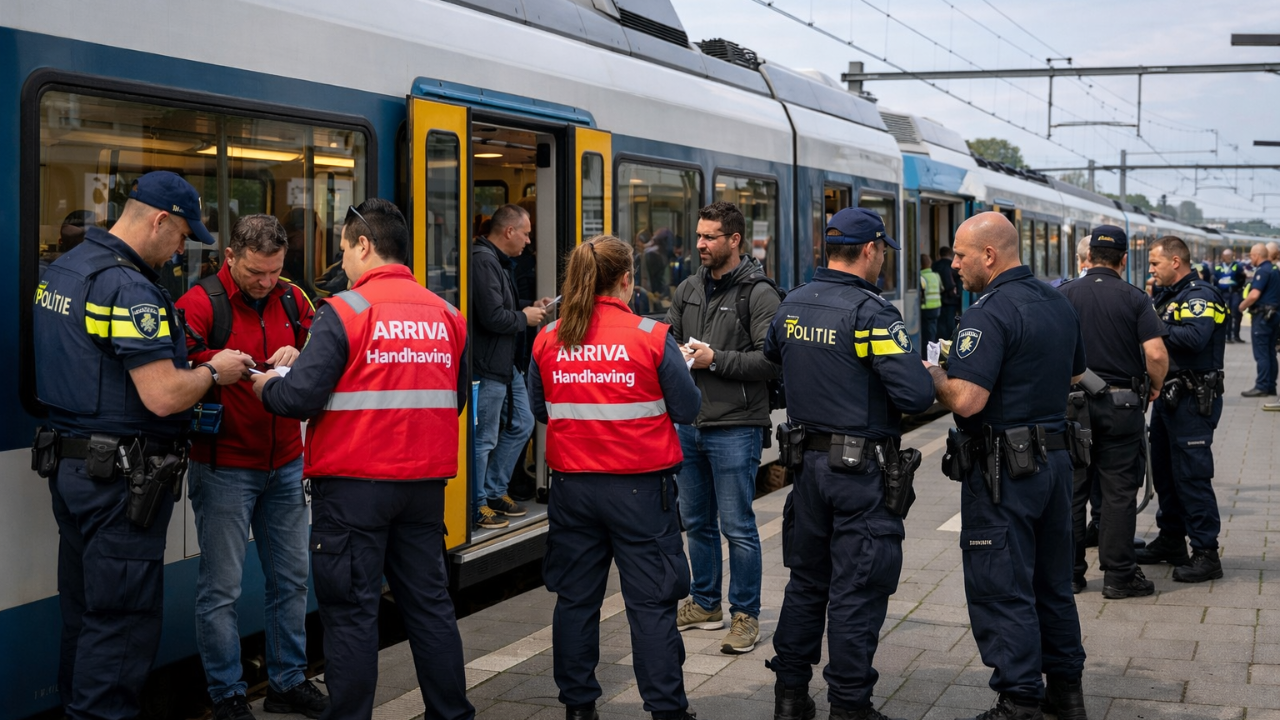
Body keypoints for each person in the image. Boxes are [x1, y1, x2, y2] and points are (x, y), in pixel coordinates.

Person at [32, 171, 254, 720]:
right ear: (159, 220)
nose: (182, 248)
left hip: (72, 467)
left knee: (86, 617)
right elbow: (160, 396)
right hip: (119, 487)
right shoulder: (128, 286)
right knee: (123, 624)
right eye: (181, 235)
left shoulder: (65, 270)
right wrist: (213, 372)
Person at [253, 198, 473, 720]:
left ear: (365, 246)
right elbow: (455, 398)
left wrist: (263, 385)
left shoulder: (345, 311)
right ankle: (452, 715)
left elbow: (298, 398)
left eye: (346, 249)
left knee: (351, 615)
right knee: (430, 610)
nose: (344, 262)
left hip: (351, 493)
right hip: (423, 489)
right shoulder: (448, 315)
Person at [764, 207, 933, 720]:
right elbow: (915, 393)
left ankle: (791, 697)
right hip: (859, 473)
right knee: (857, 589)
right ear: (870, 250)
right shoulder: (872, 313)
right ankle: (850, 705)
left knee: (807, 583)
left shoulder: (791, 303)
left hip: (807, 467)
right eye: (882, 251)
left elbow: (775, 357)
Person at [528, 235, 701, 720]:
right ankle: (666, 709)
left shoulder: (548, 337)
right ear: (628, 279)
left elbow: (541, 408)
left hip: (571, 489)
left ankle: (579, 708)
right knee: (650, 604)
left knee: (576, 601)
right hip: (641, 492)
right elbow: (688, 409)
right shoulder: (650, 335)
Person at [925, 212, 1088, 720]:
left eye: (960, 255)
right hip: (1057, 462)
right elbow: (1076, 374)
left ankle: (1019, 701)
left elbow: (969, 400)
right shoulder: (1058, 302)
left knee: (1002, 586)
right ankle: (1066, 694)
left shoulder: (986, 313)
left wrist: (934, 374)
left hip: (1003, 471)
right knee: (1054, 584)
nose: (954, 265)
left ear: (989, 256)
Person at [174, 215, 325, 720]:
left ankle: (285, 682)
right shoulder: (198, 303)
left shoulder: (293, 297)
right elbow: (172, 366)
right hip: (224, 466)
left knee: (292, 579)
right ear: (231, 258)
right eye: (256, 273)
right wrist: (217, 363)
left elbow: (324, 348)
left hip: (285, 460)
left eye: (275, 271)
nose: (266, 283)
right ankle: (228, 695)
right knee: (221, 589)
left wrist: (299, 351)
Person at [664, 201, 782, 654]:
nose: (700, 244)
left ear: (734, 240)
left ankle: (745, 615)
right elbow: (670, 341)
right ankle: (706, 603)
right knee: (695, 521)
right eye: (699, 235)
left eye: (710, 236)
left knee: (738, 526)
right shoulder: (689, 288)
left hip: (736, 426)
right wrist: (679, 353)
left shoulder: (759, 293)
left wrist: (716, 359)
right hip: (690, 424)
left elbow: (771, 361)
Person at [1057, 226, 1168, 600]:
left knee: (1072, 492)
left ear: (1088, 259)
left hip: (1071, 408)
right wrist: (1154, 386)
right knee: (1119, 491)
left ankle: (1069, 575)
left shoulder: (1064, 294)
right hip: (1122, 407)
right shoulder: (1135, 298)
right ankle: (1119, 576)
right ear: (1123, 259)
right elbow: (1155, 355)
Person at [1136, 236, 1227, 584]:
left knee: (1191, 475)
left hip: (1193, 400)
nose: (1151, 270)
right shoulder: (1168, 296)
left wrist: (1149, 327)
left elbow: (1193, 339)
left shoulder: (1199, 296)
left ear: (1176, 262)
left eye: (1155, 263)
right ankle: (1172, 540)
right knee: (1166, 473)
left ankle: (1206, 553)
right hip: (1171, 398)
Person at [472, 204, 552, 528]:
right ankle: (478, 502)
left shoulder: (497, 261)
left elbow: (500, 306)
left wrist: (527, 306)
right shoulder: (483, 261)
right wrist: (524, 318)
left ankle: (494, 489)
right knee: (485, 438)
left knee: (522, 421)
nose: (529, 241)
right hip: (488, 365)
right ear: (509, 232)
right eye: (526, 233)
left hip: (506, 364)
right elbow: (492, 317)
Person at [1239, 243, 1280, 398]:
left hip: (1263, 318)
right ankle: (1270, 386)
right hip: (1274, 316)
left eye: (1251, 255)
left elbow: (1254, 295)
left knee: (1261, 353)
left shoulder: (1262, 271)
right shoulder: (1275, 270)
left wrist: (1241, 306)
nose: (1250, 258)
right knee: (1270, 352)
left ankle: (1261, 386)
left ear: (1257, 255)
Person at [1215, 248, 1246, 343]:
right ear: (1222, 257)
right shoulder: (1218, 267)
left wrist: (1238, 288)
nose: (1228, 258)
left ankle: (1236, 335)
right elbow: (1215, 279)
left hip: (1235, 293)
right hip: (1223, 294)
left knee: (1236, 313)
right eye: (1226, 256)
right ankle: (1227, 336)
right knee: (1226, 314)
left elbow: (1242, 277)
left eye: (1230, 256)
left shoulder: (1237, 266)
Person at [936, 246, 960, 341]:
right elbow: (956, 283)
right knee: (950, 322)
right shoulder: (953, 266)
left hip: (936, 300)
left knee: (939, 323)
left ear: (939, 254)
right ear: (950, 254)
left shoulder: (935, 265)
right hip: (951, 300)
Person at [919, 252, 942, 348]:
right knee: (933, 331)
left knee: (926, 335)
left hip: (926, 308)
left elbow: (920, 293)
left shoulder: (921, 277)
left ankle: (927, 355)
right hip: (937, 307)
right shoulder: (936, 275)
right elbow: (941, 289)